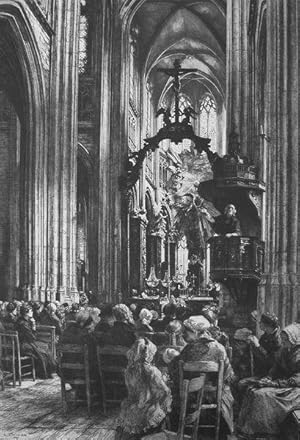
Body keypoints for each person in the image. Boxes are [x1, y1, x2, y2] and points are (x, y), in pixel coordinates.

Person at [168, 315, 234, 437]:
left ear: (196, 332)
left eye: (186, 332)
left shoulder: (189, 349)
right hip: (214, 396)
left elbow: (175, 372)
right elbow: (228, 375)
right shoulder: (219, 348)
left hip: (190, 396)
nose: (183, 335)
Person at [237, 323, 300, 439]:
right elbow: (275, 367)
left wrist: (272, 384)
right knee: (252, 390)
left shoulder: (298, 354)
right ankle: (247, 429)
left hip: (294, 390)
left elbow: (296, 380)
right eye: (284, 339)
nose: (284, 342)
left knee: (262, 395)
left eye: (287, 340)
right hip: (281, 383)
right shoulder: (285, 350)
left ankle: (265, 432)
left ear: (294, 339)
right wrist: (269, 377)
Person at [116, 338, 172, 440]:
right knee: (167, 398)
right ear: (149, 354)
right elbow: (165, 391)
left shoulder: (128, 370)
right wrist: (164, 381)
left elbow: (136, 389)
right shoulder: (152, 370)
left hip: (132, 406)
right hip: (148, 409)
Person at [16, 304, 55, 378]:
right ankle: (44, 372)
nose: (32, 312)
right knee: (44, 349)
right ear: (26, 313)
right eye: (30, 311)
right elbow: (32, 338)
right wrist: (33, 326)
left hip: (23, 344)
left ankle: (47, 371)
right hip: (25, 346)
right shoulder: (24, 324)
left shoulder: (20, 320)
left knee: (45, 346)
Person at [248, 312, 281, 377]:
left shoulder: (278, 340)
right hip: (261, 371)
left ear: (267, 325)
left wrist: (258, 346)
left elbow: (271, 361)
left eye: (261, 322)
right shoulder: (265, 336)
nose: (259, 323)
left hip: (271, 375)